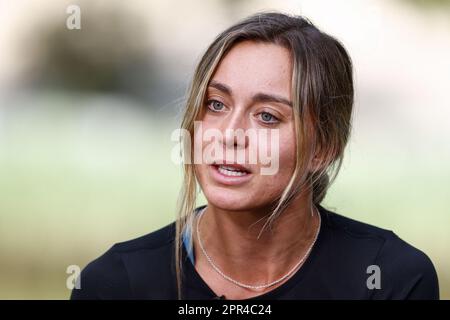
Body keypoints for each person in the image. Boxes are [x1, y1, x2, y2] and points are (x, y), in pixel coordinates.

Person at [71, 12, 439, 300]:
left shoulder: (389, 278)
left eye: (267, 116)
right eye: (215, 104)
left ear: (323, 148)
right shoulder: (115, 284)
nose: (230, 135)